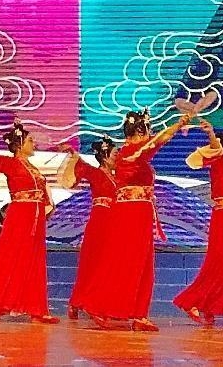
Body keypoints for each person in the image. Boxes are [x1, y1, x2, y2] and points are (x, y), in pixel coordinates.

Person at [82, 109, 192, 331]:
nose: (149, 134)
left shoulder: (133, 154)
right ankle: (98, 304)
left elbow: (154, 144)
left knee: (141, 262)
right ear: (140, 131)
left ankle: (138, 313)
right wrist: (178, 124)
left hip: (139, 212)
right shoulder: (130, 152)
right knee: (126, 260)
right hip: (130, 213)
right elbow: (156, 142)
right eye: (147, 130)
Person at [0, 119, 59, 324]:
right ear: (19, 144)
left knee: (35, 260)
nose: (34, 144)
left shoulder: (32, 167)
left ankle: (37, 308)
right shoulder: (11, 163)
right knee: (8, 257)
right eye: (30, 140)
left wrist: (47, 206)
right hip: (20, 215)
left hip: (35, 216)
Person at [173, 122, 223, 326]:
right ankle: (193, 301)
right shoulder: (218, 160)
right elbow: (213, 149)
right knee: (221, 263)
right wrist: (211, 134)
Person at [55, 136, 117, 320]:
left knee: (109, 263)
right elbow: (80, 165)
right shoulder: (95, 173)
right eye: (115, 154)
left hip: (115, 221)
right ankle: (81, 301)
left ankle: (100, 302)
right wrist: (73, 153)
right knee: (93, 262)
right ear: (105, 156)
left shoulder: (118, 177)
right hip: (100, 219)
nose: (117, 157)